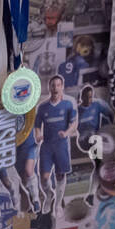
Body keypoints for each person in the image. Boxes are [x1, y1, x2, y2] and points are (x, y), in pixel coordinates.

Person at [33, 74, 77, 218]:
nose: (55, 87)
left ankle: (57, 205)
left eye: (58, 85)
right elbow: (37, 125)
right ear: (49, 87)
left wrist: (67, 132)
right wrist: (38, 135)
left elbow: (74, 123)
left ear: (62, 87)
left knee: (60, 175)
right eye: (53, 85)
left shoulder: (68, 104)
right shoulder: (43, 106)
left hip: (61, 145)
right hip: (46, 146)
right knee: (44, 177)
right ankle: (48, 195)